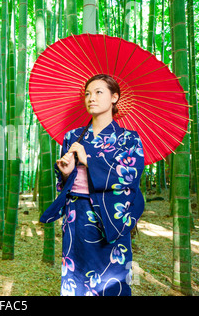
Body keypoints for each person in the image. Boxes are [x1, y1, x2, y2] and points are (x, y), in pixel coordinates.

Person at [40, 74, 145, 296]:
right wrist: (66, 174)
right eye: (87, 93)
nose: (91, 98)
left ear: (114, 97)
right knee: (75, 277)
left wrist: (88, 160)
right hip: (76, 216)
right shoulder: (73, 136)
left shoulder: (129, 139)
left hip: (110, 219)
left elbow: (129, 177)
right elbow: (65, 183)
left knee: (112, 280)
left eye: (99, 92)